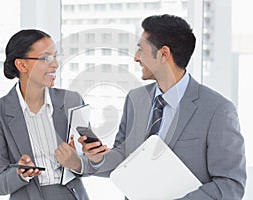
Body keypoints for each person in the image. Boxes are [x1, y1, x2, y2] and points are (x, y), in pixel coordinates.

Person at [78, 14, 246, 199]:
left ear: (164, 54)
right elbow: (122, 159)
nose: (136, 58)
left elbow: (230, 185)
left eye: (141, 50)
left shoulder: (218, 110)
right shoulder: (136, 99)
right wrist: (96, 159)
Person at [0, 29, 89, 200]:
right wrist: (20, 173)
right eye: (46, 58)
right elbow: (0, 184)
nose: (55, 64)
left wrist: (77, 161)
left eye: (56, 56)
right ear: (22, 65)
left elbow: (92, 163)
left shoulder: (72, 101)